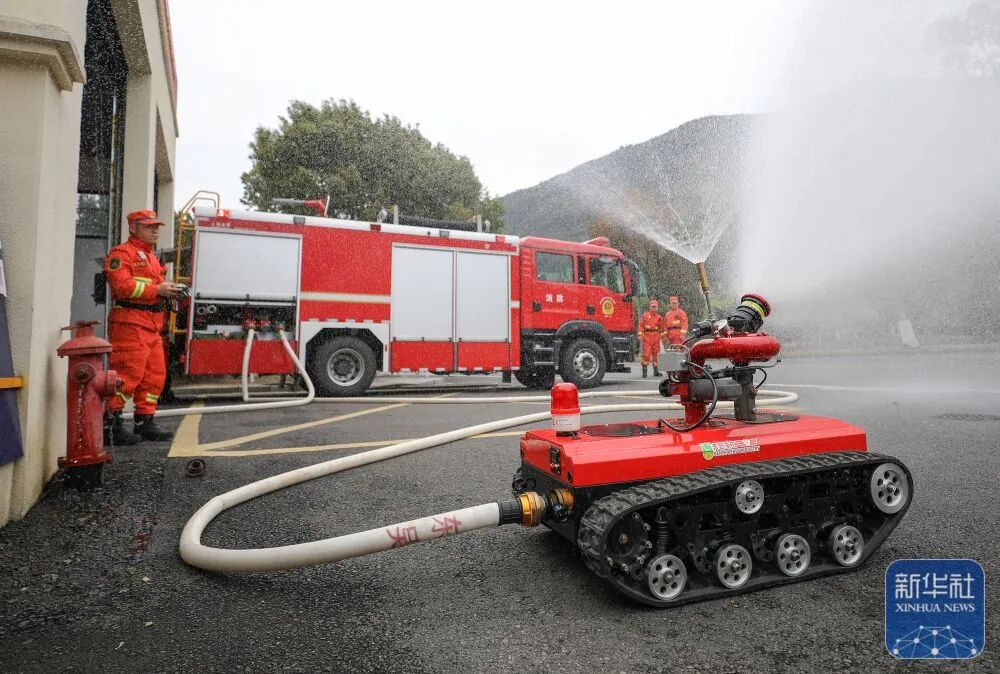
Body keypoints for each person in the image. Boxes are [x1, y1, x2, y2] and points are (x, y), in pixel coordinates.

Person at [103, 209, 184, 445]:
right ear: (133, 227)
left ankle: (145, 421)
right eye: (149, 226)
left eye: (156, 227)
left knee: (154, 376)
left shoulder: (150, 257)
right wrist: (157, 290)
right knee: (127, 375)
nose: (155, 230)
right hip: (130, 323)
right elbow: (122, 287)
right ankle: (111, 424)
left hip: (151, 324)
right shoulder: (122, 254)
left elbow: (150, 286)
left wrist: (168, 291)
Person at [638, 298, 664, 378]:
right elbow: (641, 325)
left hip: (656, 336)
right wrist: (640, 334)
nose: (654, 308)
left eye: (655, 307)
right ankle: (644, 370)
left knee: (656, 354)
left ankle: (656, 371)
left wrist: (663, 336)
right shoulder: (645, 316)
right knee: (646, 353)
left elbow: (662, 327)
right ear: (650, 307)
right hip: (647, 336)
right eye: (653, 307)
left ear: (657, 307)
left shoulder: (659, 317)